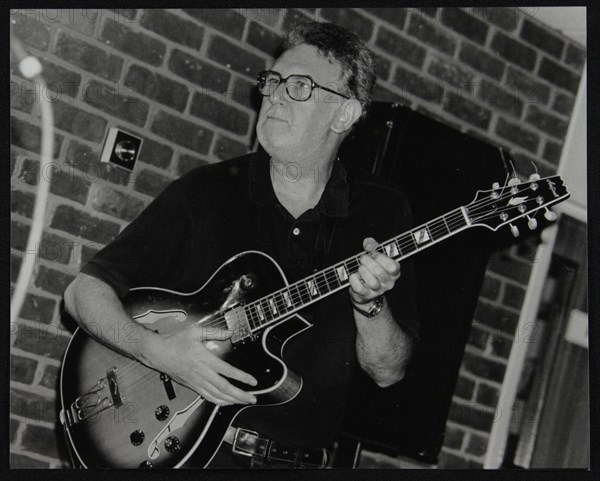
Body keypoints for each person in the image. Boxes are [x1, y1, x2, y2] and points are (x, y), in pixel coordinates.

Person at [64, 21, 418, 468]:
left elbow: (388, 372)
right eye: (272, 83)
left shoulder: (381, 211)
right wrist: (157, 351)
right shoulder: (208, 191)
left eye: (300, 87)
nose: (274, 97)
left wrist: (371, 303)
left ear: (345, 114)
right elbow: (83, 293)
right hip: (191, 455)